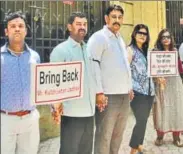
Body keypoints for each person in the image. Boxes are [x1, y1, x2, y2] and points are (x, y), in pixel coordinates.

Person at [86, 5, 134, 154]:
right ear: (106, 18)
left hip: (124, 95)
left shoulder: (120, 38)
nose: (117, 20)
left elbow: (124, 65)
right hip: (108, 96)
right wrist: (99, 92)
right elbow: (92, 65)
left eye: (120, 17)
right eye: (114, 17)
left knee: (118, 135)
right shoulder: (99, 37)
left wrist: (129, 87)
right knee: (104, 135)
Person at [50, 12, 97, 154]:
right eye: (78, 24)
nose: (82, 27)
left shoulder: (89, 49)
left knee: (86, 151)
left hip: (89, 113)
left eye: (85, 24)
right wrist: (54, 107)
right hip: (71, 114)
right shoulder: (60, 50)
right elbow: (53, 84)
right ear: (69, 27)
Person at [1, 11, 40, 154]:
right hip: (5, 119)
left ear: (26, 31)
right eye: (12, 26)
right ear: (6, 31)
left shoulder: (34, 57)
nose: (17, 29)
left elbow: (40, 87)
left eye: (20, 26)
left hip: (30, 118)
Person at [152, 29, 183, 147]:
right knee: (161, 108)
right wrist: (157, 78)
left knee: (176, 109)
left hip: (175, 83)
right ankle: (160, 136)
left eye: (168, 37)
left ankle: (176, 137)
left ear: (171, 39)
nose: (166, 39)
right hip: (161, 84)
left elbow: (180, 67)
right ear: (160, 39)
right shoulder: (155, 52)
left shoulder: (175, 51)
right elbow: (152, 68)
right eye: (163, 37)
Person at [127, 24, 155, 154]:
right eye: (140, 33)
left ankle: (139, 145)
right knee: (141, 120)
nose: (143, 36)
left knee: (143, 120)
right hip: (137, 92)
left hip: (149, 91)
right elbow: (125, 71)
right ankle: (133, 150)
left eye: (145, 34)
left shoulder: (148, 51)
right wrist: (128, 88)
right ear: (134, 34)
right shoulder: (130, 50)